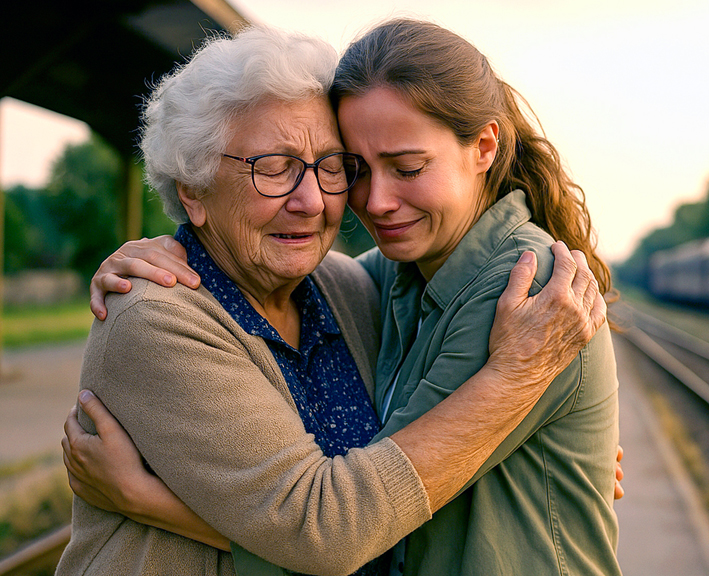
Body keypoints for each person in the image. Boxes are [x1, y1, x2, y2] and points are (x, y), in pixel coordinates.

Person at [55, 25, 606, 576]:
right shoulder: (160, 318)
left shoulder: (369, 288)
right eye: (273, 168)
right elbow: (333, 526)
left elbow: (354, 524)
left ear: (483, 148)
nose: (313, 200)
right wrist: (515, 382)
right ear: (192, 191)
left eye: (331, 166)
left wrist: (558, 439)